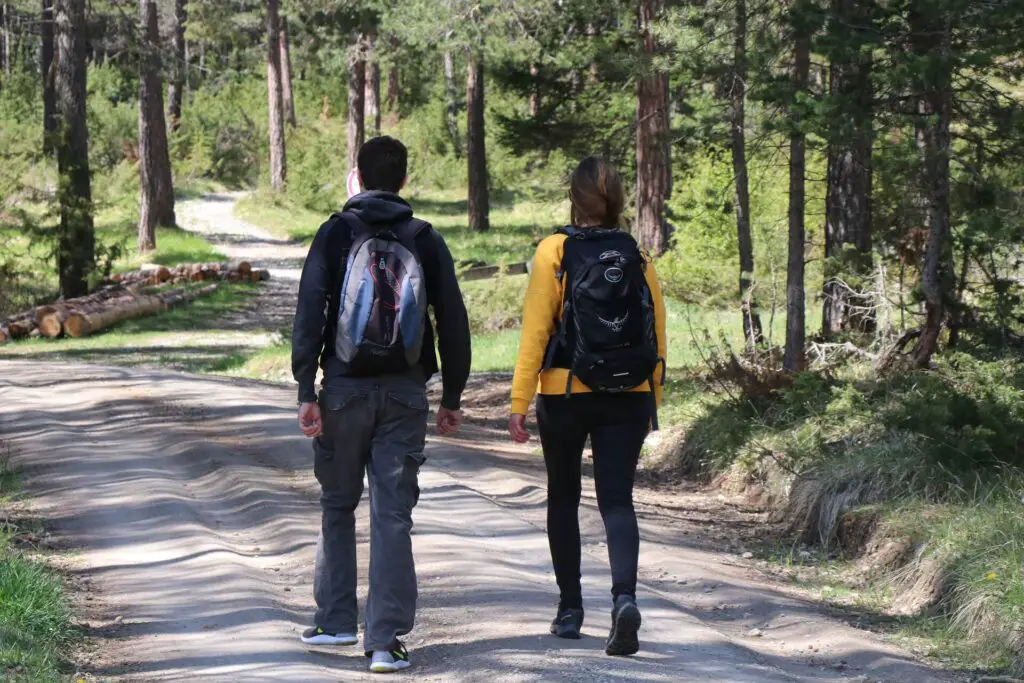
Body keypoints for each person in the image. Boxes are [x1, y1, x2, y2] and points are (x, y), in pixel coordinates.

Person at [292, 136, 471, 674]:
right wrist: (453, 396)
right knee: (392, 516)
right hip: (405, 393)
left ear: (358, 175)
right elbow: (454, 321)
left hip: (343, 390)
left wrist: (306, 389)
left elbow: (309, 313)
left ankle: (336, 621)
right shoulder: (425, 238)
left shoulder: (336, 233)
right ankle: (385, 642)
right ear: (404, 180)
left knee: (338, 504)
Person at [507, 156, 667, 657]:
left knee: (563, 498)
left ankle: (571, 609)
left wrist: (519, 400)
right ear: (616, 200)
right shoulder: (637, 255)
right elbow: (657, 333)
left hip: (566, 392)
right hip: (630, 396)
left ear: (573, 199)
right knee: (617, 501)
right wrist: (652, 399)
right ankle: (624, 600)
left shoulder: (554, 250)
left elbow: (536, 331)